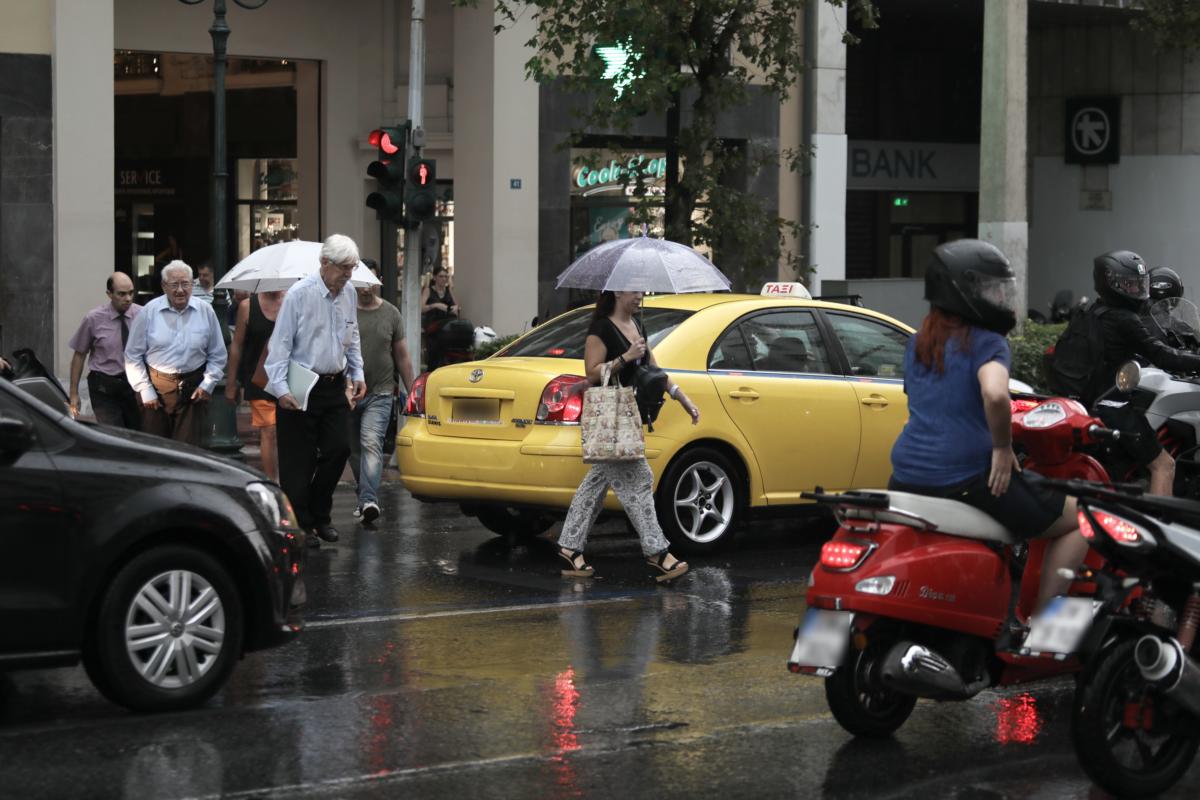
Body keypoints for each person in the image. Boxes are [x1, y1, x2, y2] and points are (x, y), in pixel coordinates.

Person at [888, 239, 1089, 638]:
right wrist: (1001, 446)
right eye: (990, 290)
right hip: (965, 478)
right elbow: (996, 393)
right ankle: (1042, 628)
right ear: (964, 294)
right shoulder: (986, 342)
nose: (999, 298)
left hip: (906, 474)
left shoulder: (918, 342)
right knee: (1081, 518)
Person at [556, 290, 699, 582]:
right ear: (619, 291)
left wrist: (682, 398)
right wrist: (625, 357)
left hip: (627, 418)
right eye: (635, 291)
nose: (639, 296)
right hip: (611, 420)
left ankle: (570, 547)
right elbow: (592, 373)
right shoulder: (601, 329)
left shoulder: (637, 325)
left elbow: (654, 369)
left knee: (595, 485)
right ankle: (657, 553)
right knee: (639, 478)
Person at [265, 234, 367, 548]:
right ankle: (305, 525)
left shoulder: (348, 292)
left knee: (339, 449)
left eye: (352, 267)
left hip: (333, 384)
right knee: (299, 462)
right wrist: (280, 389)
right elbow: (279, 345)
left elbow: (353, 333)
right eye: (344, 267)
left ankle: (319, 513)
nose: (349, 274)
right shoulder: (299, 294)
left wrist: (357, 371)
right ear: (324, 263)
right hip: (299, 383)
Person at [1090, 251, 1200, 495]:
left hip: (1090, 401)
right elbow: (1161, 354)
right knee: (1163, 465)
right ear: (1110, 284)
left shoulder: (1091, 312)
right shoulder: (1125, 319)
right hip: (1113, 405)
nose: (1135, 290)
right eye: (1128, 284)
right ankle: (1157, 527)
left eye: (1138, 284)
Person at [125, 260, 227, 445]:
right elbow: (132, 355)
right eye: (174, 284)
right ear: (164, 286)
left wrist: (208, 384)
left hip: (193, 390)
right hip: (156, 389)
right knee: (156, 449)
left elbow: (218, 354)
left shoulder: (205, 311)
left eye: (185, 283)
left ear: (192, 284)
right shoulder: (149, 311)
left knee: (188, 451)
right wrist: (145, 389)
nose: (180, 290)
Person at [349, 259, 413, 524]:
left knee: (371, 443)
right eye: (360, 283)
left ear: (379, 280)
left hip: (381, 392)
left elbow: (402, 357)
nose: (365, 289)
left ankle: (368, 500)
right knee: (352, 450)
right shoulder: (345, 311)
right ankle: (363, 493)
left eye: (370, 283)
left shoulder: (391, 313)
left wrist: (413, 392)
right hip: (348, 393)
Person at [225, 287, 287, 481]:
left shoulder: (292, 300)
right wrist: (231, 382)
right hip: (259, 378)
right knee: (269, 430)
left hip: (289, 376)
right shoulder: (247, 306)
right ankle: (273, 482)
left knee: (289, 432)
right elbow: (237, 345)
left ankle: (289, 481)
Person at [67, 272, 143, 428]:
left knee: (138, 435)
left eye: (131, 293)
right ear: (109, 294)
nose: (128, 298)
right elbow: (79, 355)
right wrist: (73, 394)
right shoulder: (94, 318)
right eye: (121, 294)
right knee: (113, 434)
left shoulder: (143, 315)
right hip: (104, 387)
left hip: (134, 387)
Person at [420, 266, 460, 370]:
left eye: (446, 277)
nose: (444, 279)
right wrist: (435, 305)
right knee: (435, 352)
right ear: (434, 277)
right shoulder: (428, 290)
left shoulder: (448, 290)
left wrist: (455, 308)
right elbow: (421, 308)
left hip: (447, 325)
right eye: (441, 276)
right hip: (433, 324)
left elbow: (457, 306)